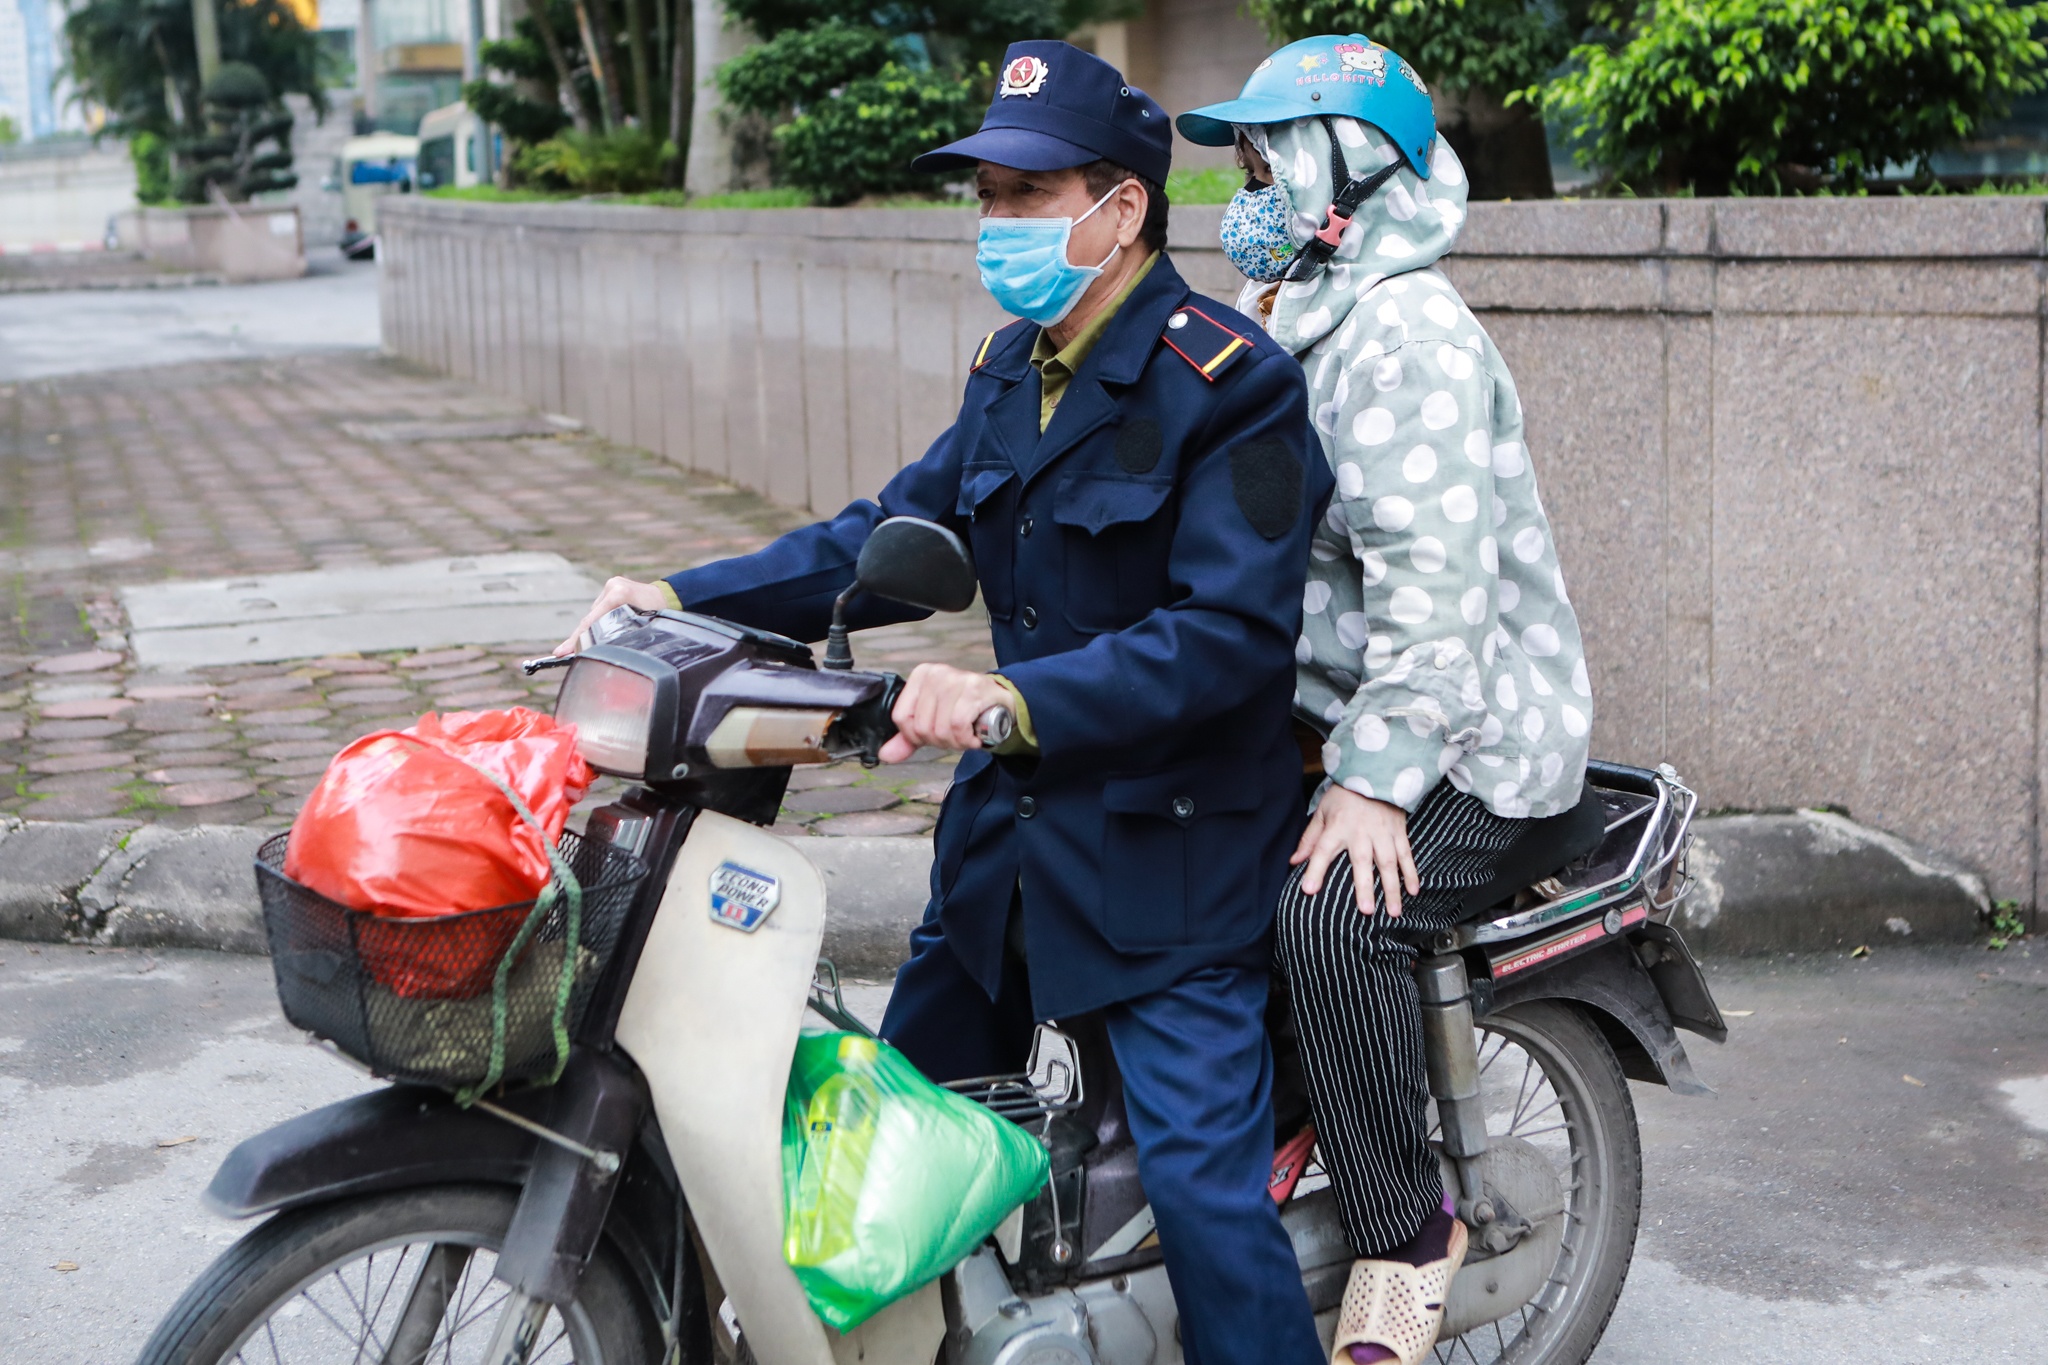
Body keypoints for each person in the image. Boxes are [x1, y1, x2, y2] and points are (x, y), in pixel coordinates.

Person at [559, 40, 1332, 1365]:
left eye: (1026, 196)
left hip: (1172, 862)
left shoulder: (1229, 383)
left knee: (1207, 1202)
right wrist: (682, 594)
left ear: (1122, 207)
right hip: (1011, 857)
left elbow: (1229, 642)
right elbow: (886, 531)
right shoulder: (1017, 365)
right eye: (984, 197)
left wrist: (1005, 702)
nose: (997, 224)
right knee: (871, 1142)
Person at [1179, 35, 1597, 1365]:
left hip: (1470, 736)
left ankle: (1403, 1228)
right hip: (1339, 709)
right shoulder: (1302, 305)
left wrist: (1372, 782)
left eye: (1263, 154)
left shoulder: (1403, 333)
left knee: (1333, 914)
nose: (1242, 181)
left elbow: (1436, 591)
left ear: (1343, 171)